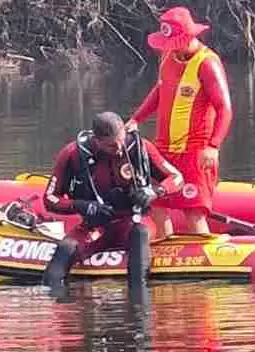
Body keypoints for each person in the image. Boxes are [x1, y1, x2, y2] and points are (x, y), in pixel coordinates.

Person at [42, 111, 184, 288]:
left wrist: (155, 191)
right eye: (111, 146)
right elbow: (49, 198)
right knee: (65, 250)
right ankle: (59, 303)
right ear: (97, 140)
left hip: (133, 221)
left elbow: (177, 178)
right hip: (95, 225)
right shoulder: (73, 154)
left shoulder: (140, 148)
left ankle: (139, 303)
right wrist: (81, 206)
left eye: (121, 142)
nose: (118, 149)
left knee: (139, 234)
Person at [125, 6, 232, 236]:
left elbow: (225, 108)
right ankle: (168, 253)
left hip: (195, 149)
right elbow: (160, 91)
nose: (170, 49)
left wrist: (213, 146)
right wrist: (136, 118)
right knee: (156, 205)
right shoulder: (167, 56)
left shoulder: (207, 63)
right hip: (164, 148)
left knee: (194, 212)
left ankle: (202, 261)